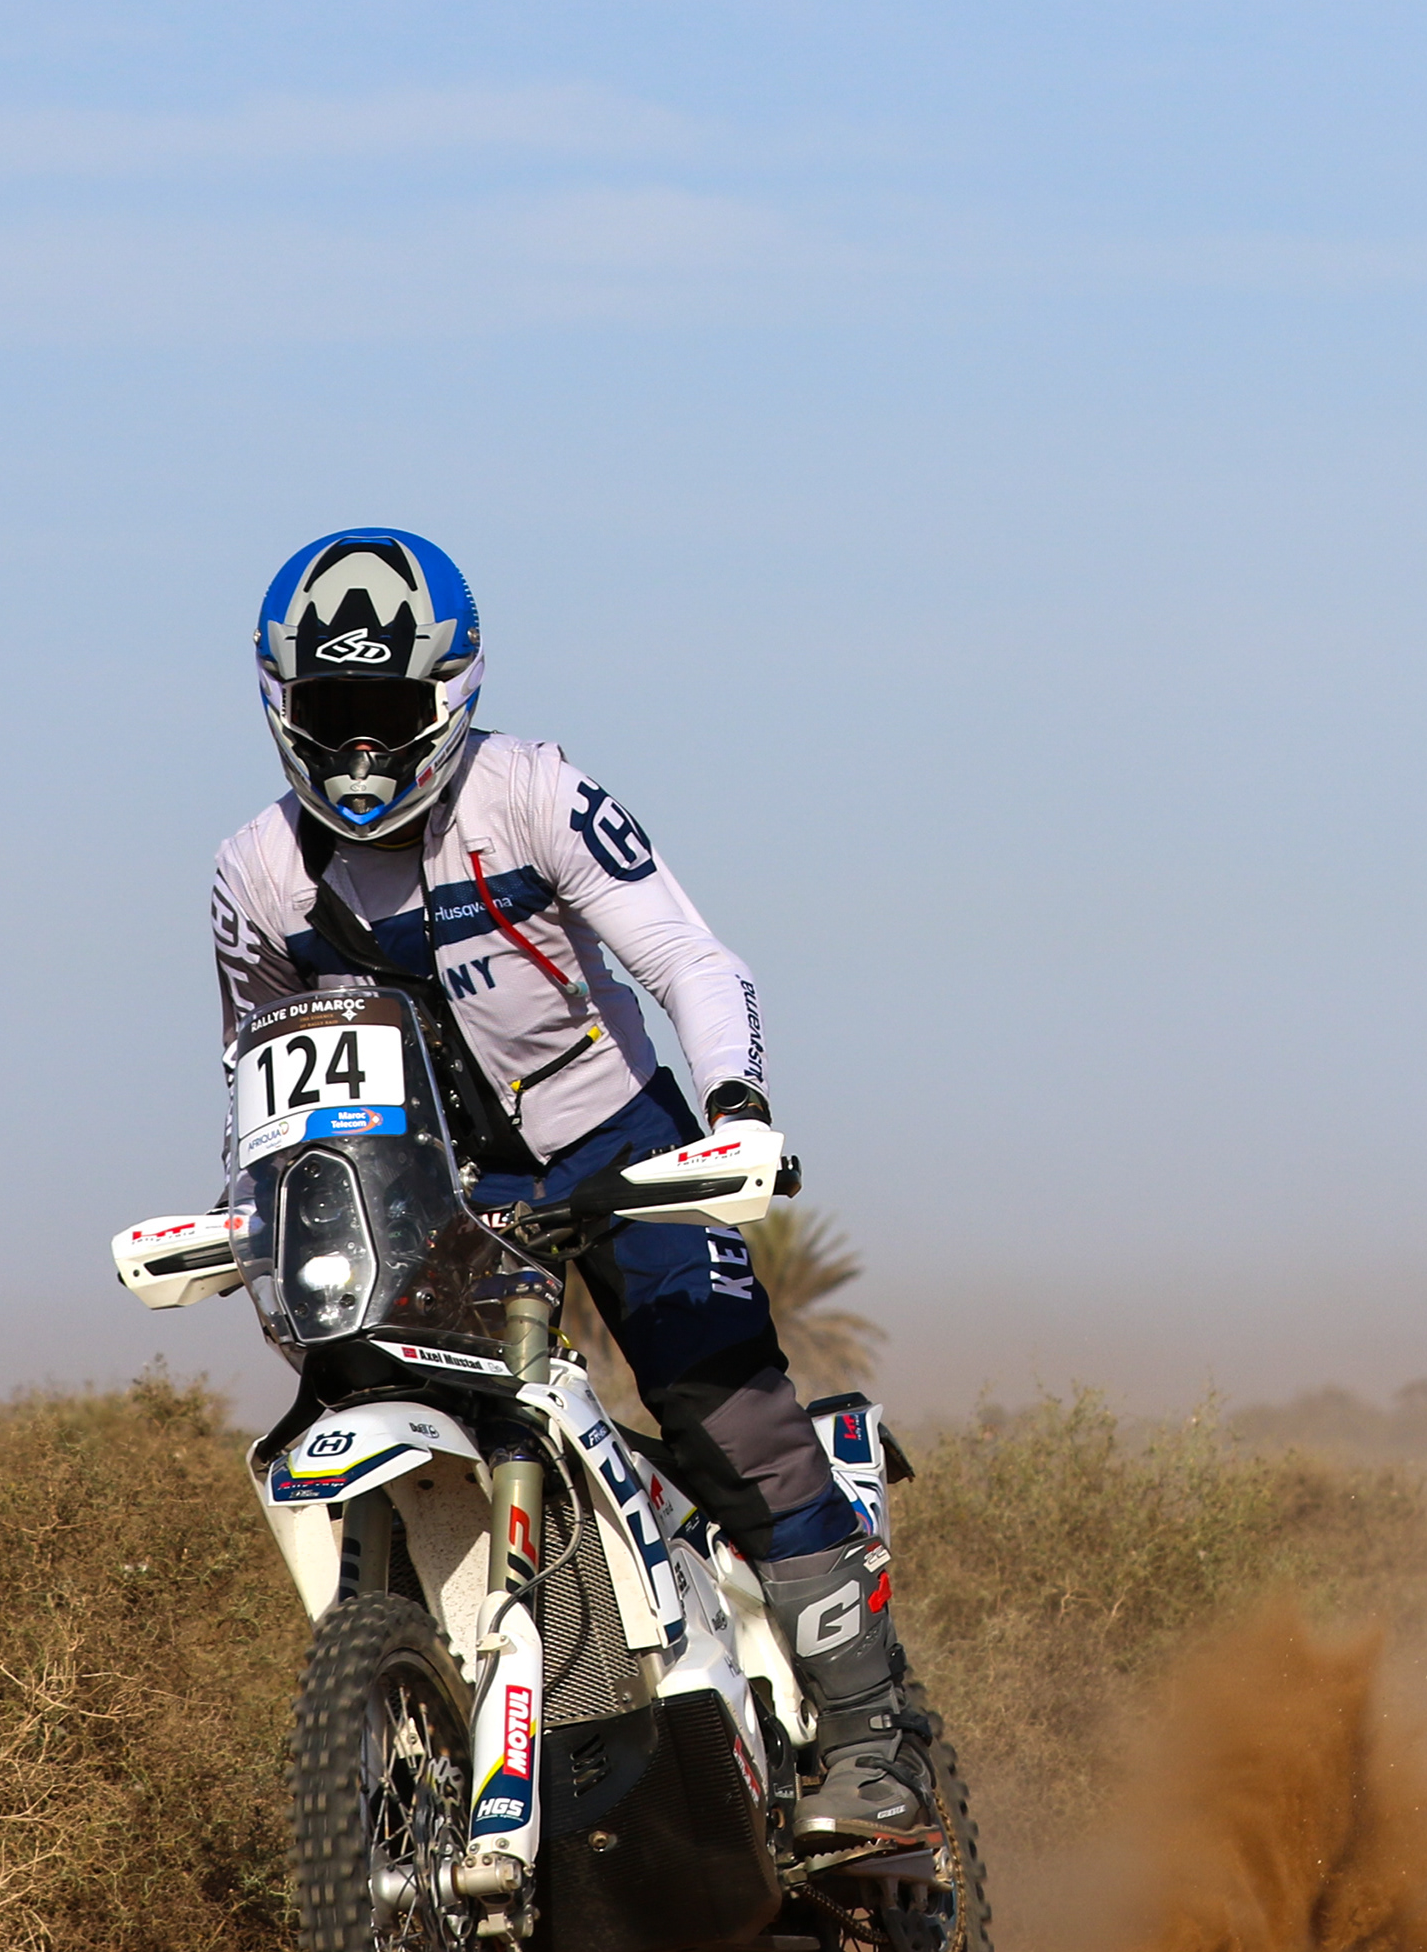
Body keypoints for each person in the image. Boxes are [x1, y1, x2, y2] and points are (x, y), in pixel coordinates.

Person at [206, 524, 924, 1844]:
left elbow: (692, 961)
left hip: (618, 1141)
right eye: (330, 715)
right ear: (280, 706)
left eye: (387, 715)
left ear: (450, 694)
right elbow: (258, 1070)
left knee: (735, 1422)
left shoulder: (534, 792)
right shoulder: (256, 874)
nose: (360, 751)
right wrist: (244, 1216)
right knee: (397, 1412)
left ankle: (878, 1749)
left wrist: (737, 1111)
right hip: (431, 1189)